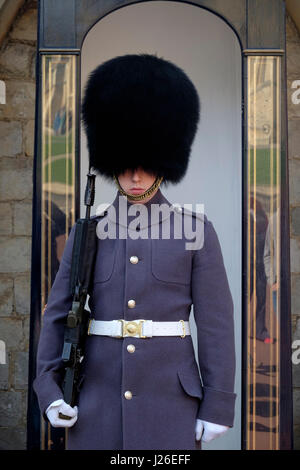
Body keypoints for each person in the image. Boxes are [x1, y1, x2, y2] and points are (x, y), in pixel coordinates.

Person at [33, 53, 236, 450]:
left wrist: (218, 404)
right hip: (96, 404)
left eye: (145, 163)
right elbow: (59, 314)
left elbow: (216, 326)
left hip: (171, 404)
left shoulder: (195, 230)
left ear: (164, 162)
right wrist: (51, 389)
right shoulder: (87, 233)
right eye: (126, 164)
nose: (136, 175)